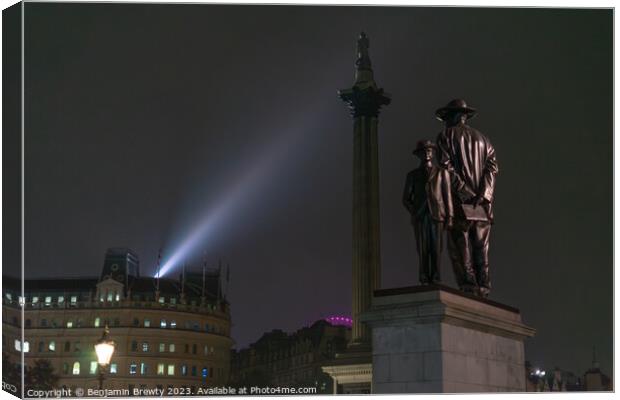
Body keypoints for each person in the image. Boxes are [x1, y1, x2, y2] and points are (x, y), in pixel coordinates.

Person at [435, 99, 498, 297]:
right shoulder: (483, 139)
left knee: (460, 247)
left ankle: (469, 285)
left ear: (452, 116)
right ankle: (484, 286)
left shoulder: (446, 135)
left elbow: (446, 168)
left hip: (459, 202)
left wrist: (465, 192)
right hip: (481, 205)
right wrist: (484, 195)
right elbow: (492, 167)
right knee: (481, 247)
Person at [402, 140, 453, 285]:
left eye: (429, 151)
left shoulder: (442, 173)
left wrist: (450, 217)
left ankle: (436, 276)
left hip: (437, 215)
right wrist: (415, 211)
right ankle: (424, 276)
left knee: (436, 248)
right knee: (423, 248)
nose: (427, 154)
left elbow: (447, 196)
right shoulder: (412, 175)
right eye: (424, 151)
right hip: (421, 216)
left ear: (433, 153)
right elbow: (406, 199)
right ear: (419, 155)